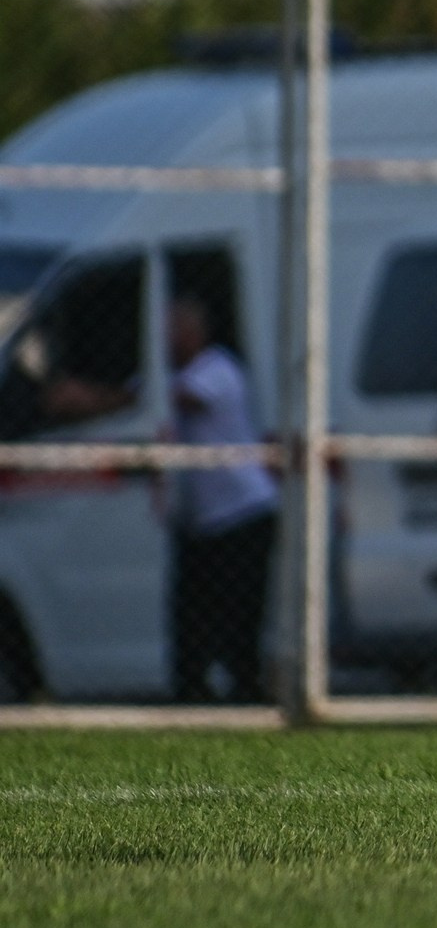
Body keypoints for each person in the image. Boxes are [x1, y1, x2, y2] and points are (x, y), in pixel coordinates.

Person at [159, 295, 279, 703]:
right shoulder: (169, 378)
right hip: (202, 521)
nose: (163, 338)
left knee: (239, 613)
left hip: (244, 515)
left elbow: (178, 401)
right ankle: (194, 694)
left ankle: (249, 694)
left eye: (171, 328)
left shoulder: (217, 369)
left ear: (192, 332)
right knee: (191, 613)